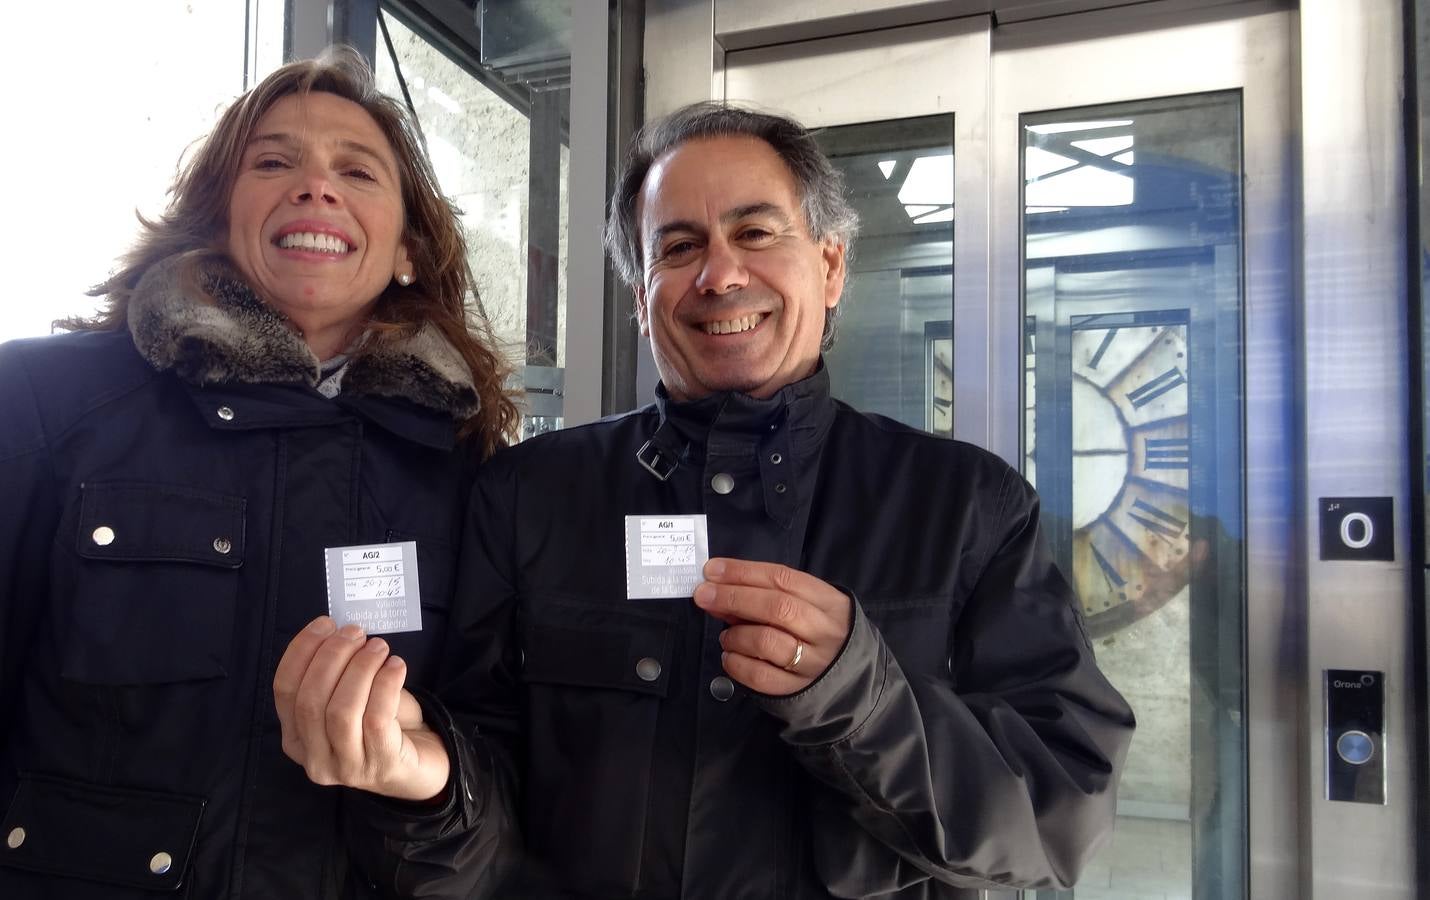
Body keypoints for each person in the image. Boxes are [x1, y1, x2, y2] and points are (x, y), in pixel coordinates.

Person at [277, 102, 1136, 899]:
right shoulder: (531, 494)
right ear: (641, 297)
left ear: (831, 266)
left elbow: (1055, 816)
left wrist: (860, 697)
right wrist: (425, 790)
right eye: (678, 247)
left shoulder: (965, 506)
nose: (720, 276)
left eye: (755, 232)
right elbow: (482, 822)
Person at [0, 47, 517, 899]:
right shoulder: (44, 406)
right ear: (215, 216)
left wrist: (427, 780)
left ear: (407, 253)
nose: (316, 188)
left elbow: (495, 812)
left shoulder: (470, 476)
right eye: (274, 162)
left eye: (358, 171)